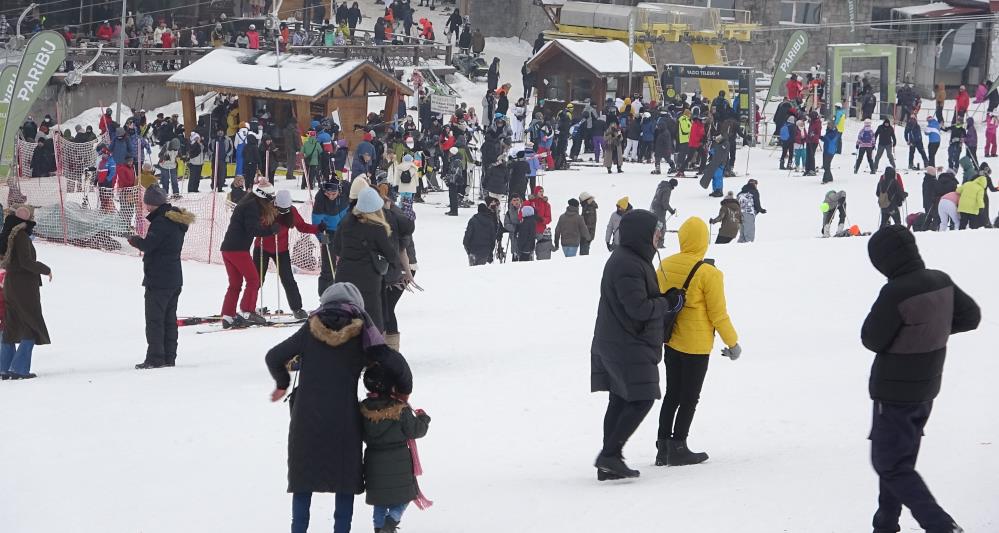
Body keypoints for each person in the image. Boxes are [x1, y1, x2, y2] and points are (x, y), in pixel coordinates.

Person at [266, 283, 413, 533]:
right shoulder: (362, 332)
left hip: (306, 421)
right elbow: (396, 363)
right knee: (344, 484)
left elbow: (274, 356)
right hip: (344, 422)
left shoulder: (310, 329)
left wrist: (282, 384)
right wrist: (403, 392)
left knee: (303, 482)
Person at [861, 226, 979, 533]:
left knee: (889, 464)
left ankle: (941, 526)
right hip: (926, 386)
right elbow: (970, 317)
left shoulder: (896, 291)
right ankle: (885, 524)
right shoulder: (940, 280)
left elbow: (871, 338)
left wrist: (916, 334)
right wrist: (930, 332)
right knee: (899, 461)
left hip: (894, 392)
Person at [591, 209, 673, 479]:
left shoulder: (630, 259)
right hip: (626, 342)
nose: (658, 237)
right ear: (642, 234)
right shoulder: (628, 263)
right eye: (655, 233)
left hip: (618, 340)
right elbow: (638, 308)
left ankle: (608, 464)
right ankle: (609, 455)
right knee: (642, 398)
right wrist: (666, 303)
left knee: (620, 398)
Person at [654, 217, 740, 466]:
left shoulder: (665, 265)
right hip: (696, 345)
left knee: (672, 393)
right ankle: (679, 446)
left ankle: (663, 447)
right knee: (690, 397)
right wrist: (732, 343)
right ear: (703, 240)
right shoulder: (709, 273)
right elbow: (718, 314)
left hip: (671, 340)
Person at [126, 186, 194, 369]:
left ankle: (155, 358)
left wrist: (135, 240)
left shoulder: (161, 222)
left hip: (159, 278)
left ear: (152, 204)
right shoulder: (175, 219)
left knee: (155, 320)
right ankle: (169, 357)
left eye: (147, 202)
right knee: (169, 320)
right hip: (173, 277)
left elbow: (149, 245)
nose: (145, 206)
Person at [359, 363, 430, 533]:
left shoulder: (362, 410)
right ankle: (390, 522)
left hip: (373, 463)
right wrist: (423, 418)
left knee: (380, 501)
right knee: (407, 495)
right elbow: (416, 430)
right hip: (400, 463)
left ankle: (379, 528)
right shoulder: (400, 409)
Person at [332, 187, 398, 331]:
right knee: (371, 322)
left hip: (344, 277)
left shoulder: (346, 221)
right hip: (368, 281)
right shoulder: (377, 227)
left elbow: (336, 248)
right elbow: (391, 255)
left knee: (345, 320)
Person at [0, 206, 52, 380]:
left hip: (10, 285)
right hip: (23, 286)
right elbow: (25, 262)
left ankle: (4, 367)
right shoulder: (21, 236)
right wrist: (45, 269)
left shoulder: (7, 234)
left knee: (11, 324)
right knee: (31, 323)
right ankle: (19, 368)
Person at [219, 182, 280, 328]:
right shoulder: (252, 206)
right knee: (254, 280)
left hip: (228, 248)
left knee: (235, 283)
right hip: (238, 249)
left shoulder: (247, 203)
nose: (271, 201)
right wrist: (271, 231)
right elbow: (252, 229)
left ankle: (228, 315)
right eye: (270, 198)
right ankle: (247, 311)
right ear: (263, 196)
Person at [254, 190, 321, 320]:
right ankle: (248, 308)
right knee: (257, 280)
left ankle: (297, 308)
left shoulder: (292, 211)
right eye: (280, 209)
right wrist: (269, 229)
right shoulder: (266, 208)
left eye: (286, 210)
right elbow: (255, 227)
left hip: (281, 250)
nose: (283, 212)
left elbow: (302, 226)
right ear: (275, 203)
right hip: (262, 248)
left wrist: (317, 228)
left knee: (288, 279)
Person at [650, 178, 678, 247]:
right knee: (662, 227)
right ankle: (659, 244)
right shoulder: (667, 189)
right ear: (673, 185)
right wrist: (671, 211)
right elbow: (665, 203)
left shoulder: (661, 186)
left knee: (654, 225)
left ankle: (652, 241)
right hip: (659, 210)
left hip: (653, 207)